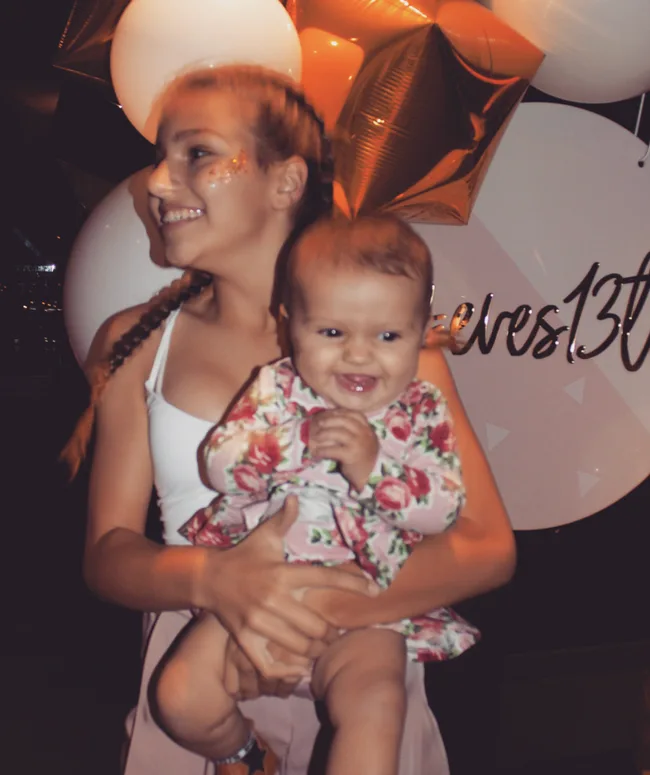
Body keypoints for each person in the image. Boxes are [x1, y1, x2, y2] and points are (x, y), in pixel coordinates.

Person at [63, 64, 515, 775]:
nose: (157, 182)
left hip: (364, 671)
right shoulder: (137, 343)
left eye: (198, 153)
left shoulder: (387, 355)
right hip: (199, 669)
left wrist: (304, 612)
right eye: (160, 156)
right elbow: (107, 554)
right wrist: (216, 583)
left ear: (285, 182)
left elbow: (487, 546)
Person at [155, 214, 481, 775]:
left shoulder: (421, 408)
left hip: (367, 611)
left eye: (388, 336)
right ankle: (245, 754)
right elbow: (219, 466)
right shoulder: (276, 389)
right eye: (332, 333)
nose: (359, 355)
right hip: (261, 595)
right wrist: (292, 442)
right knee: (181, 696)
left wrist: (375, 469)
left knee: (377, 708)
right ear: (290, 326)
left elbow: (443, 510)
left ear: (421, 330)